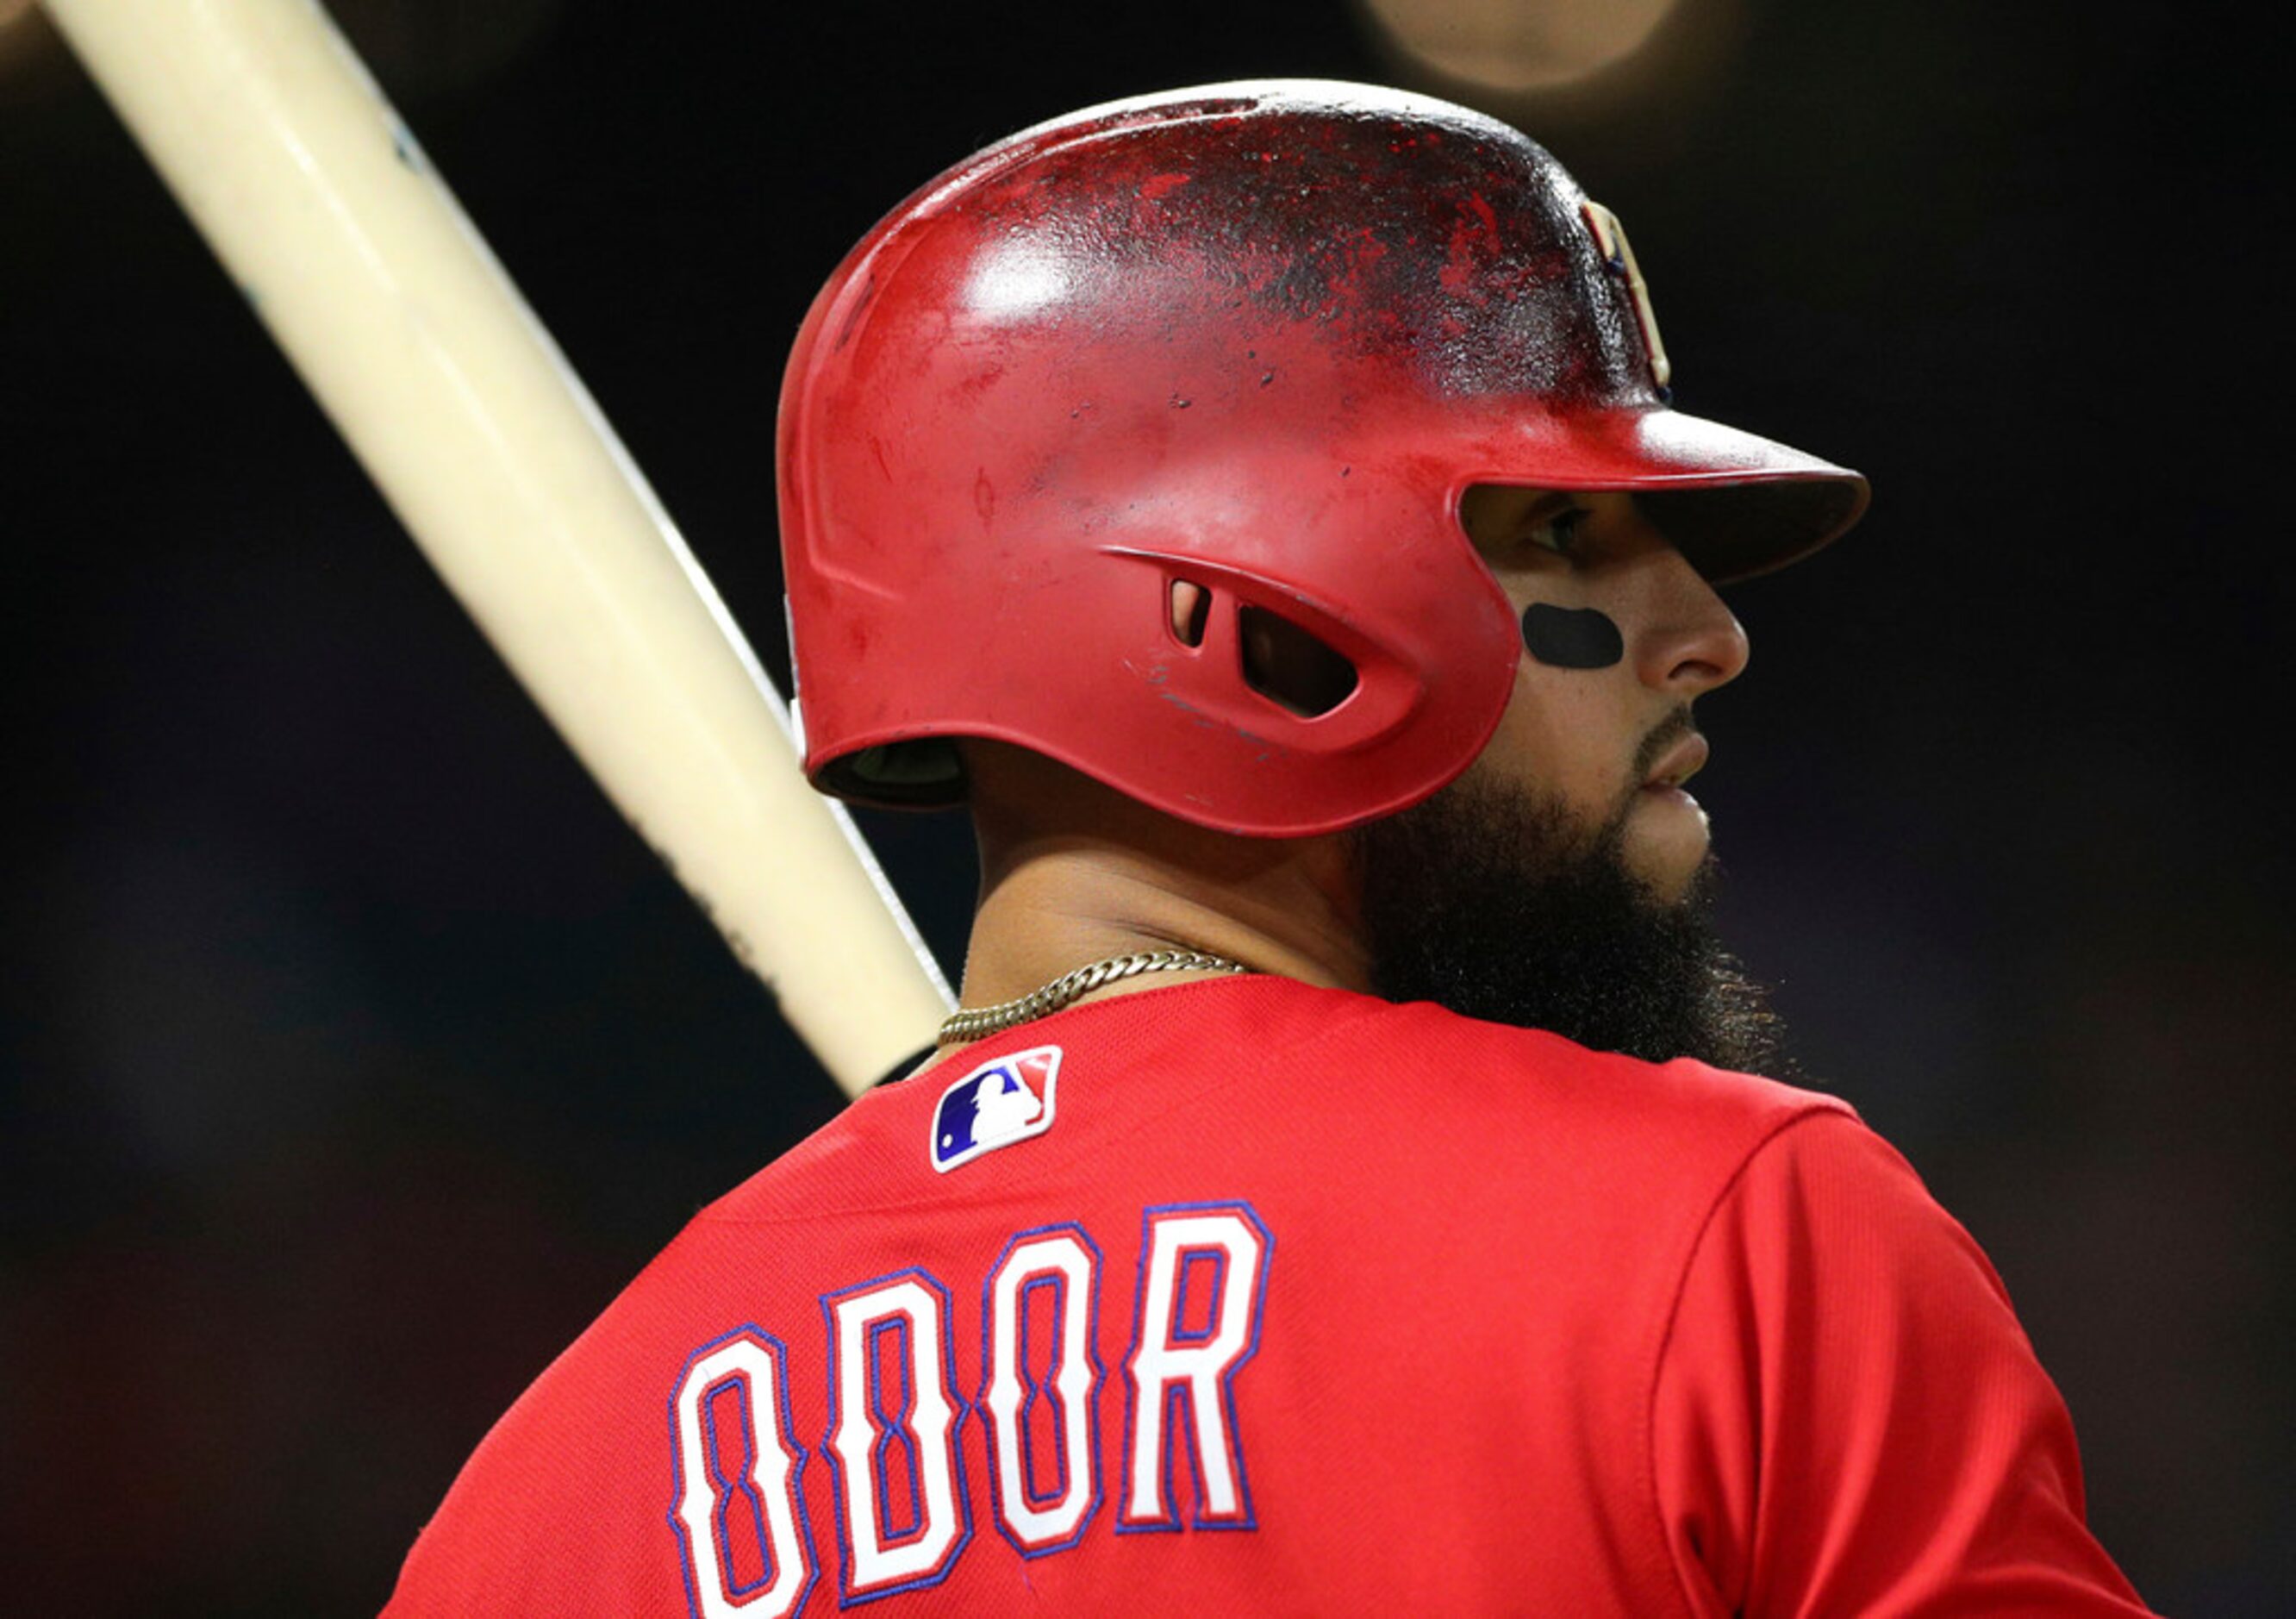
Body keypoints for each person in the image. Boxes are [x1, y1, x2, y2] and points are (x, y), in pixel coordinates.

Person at [386, 80, 2152, 1615]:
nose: (1704, 629)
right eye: (1562, 530)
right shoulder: (1726, 1243)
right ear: (1250, 617)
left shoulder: (540, 1499)